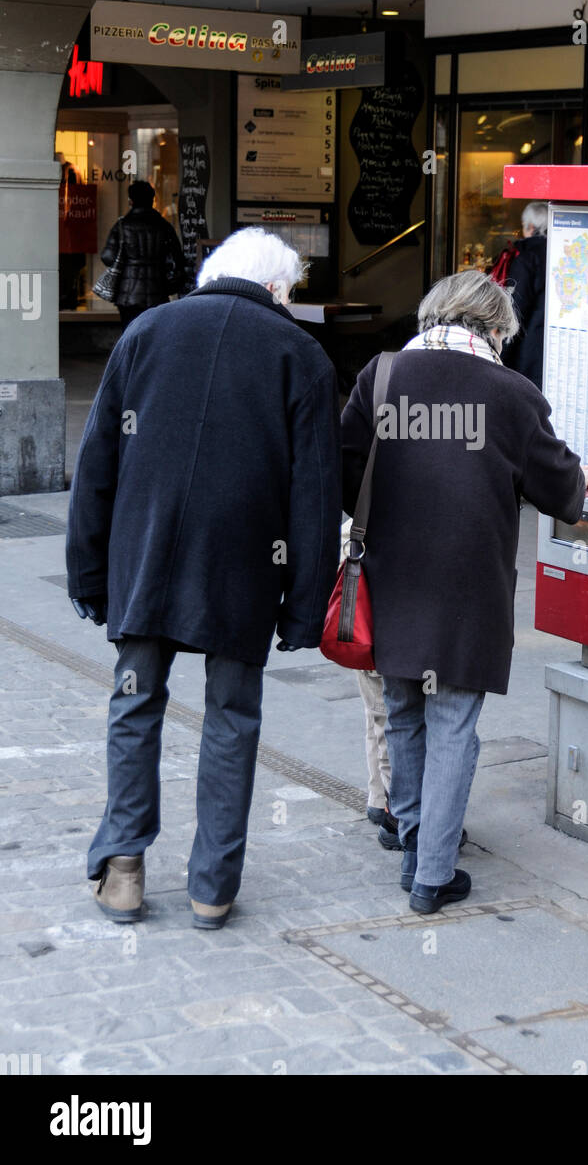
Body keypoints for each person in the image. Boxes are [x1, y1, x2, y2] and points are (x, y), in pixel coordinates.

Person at [66, 228, 341, 930]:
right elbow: (314, 495)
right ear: (277, 288)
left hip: (146, 558)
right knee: (232, 717)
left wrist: (88, 571)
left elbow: (97, 463)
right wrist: (305, 607)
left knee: (135, 705)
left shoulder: (148, 331)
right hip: (245, 565)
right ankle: (212, 888)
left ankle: (123, 869)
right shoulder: (299, 354)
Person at [341, 270, 588, 915]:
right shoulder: (510, 393)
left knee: (402, 710)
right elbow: (560, 493)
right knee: (453, 721)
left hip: (390, 574)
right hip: (467, 583)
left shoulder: (384, 374)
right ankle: (432, 873)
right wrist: (582, 479)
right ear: (491, 329)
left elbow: (342, 468)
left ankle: (413, 844)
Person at [100, 179, 187, 330]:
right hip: (158, 291)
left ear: (131, 201)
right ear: (152, 200)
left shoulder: (122, 225)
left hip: (127, 294)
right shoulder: (164, 226)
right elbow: (178, 259)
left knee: (129, 333)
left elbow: (107, 257)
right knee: (154, 334)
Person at [501, 201, 549, 389]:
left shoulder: (526, 259)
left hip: (527, 353)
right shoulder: (563, 253)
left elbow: (516, 309)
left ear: (530, 227)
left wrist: (502, 352)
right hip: (550, 347)